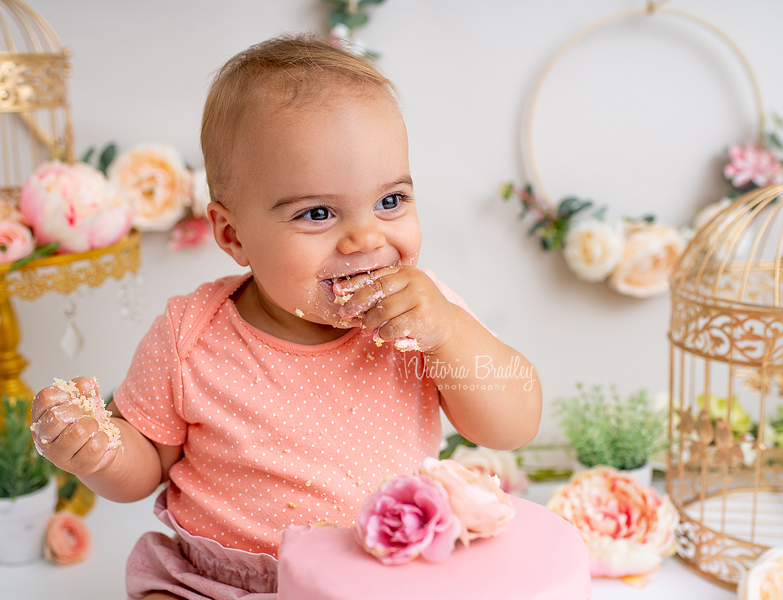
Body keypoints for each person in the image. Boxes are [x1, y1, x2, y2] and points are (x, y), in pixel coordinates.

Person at [31, 34, 542, 600]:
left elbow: (513, 424)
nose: (366, 237)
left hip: (377, 578)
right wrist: (97, 450)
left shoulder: (424, 318)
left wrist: (449, 333)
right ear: (232, 234)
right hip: (217, 581)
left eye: (390, 201)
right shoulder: (189, 336)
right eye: (318, 213)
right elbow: (146, 468)